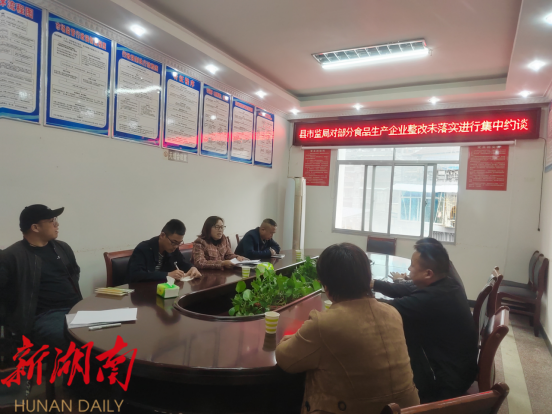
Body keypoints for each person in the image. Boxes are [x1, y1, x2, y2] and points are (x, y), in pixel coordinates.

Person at [276, 243, 419, 414]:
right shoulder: (392, 313)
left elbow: (285, 359)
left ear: (326, 286)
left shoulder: (325, 324)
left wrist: (290, 338)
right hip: (408, 410)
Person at [372, 239, 478, 403]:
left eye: (412, 266)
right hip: (457, 370)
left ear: (428, 273)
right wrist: (373, 283)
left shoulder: (433, 298)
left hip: (444, 383)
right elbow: (404, 289)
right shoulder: (446, 284)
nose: (409, 269)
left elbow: (385, 309)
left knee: (389, 339)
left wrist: (357, 296)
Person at [0, 205, 81, 352]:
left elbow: (75, 273)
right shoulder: (11, 256)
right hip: (43, 316)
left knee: (108, 332)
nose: (57, 224)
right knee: (78, 341)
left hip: (76, 308)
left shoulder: (62, 248)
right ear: (35, 227)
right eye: (51, 221)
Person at [128, 219, 201, 282]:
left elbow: (182, 263)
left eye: (179, 243)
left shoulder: (173, 249)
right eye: (173, 242)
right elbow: (136, 275)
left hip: (163, 288)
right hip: (141, 290)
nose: (175, 246)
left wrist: (192, 268)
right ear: (162, 235)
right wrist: (167, 275)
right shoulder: (143, 248)